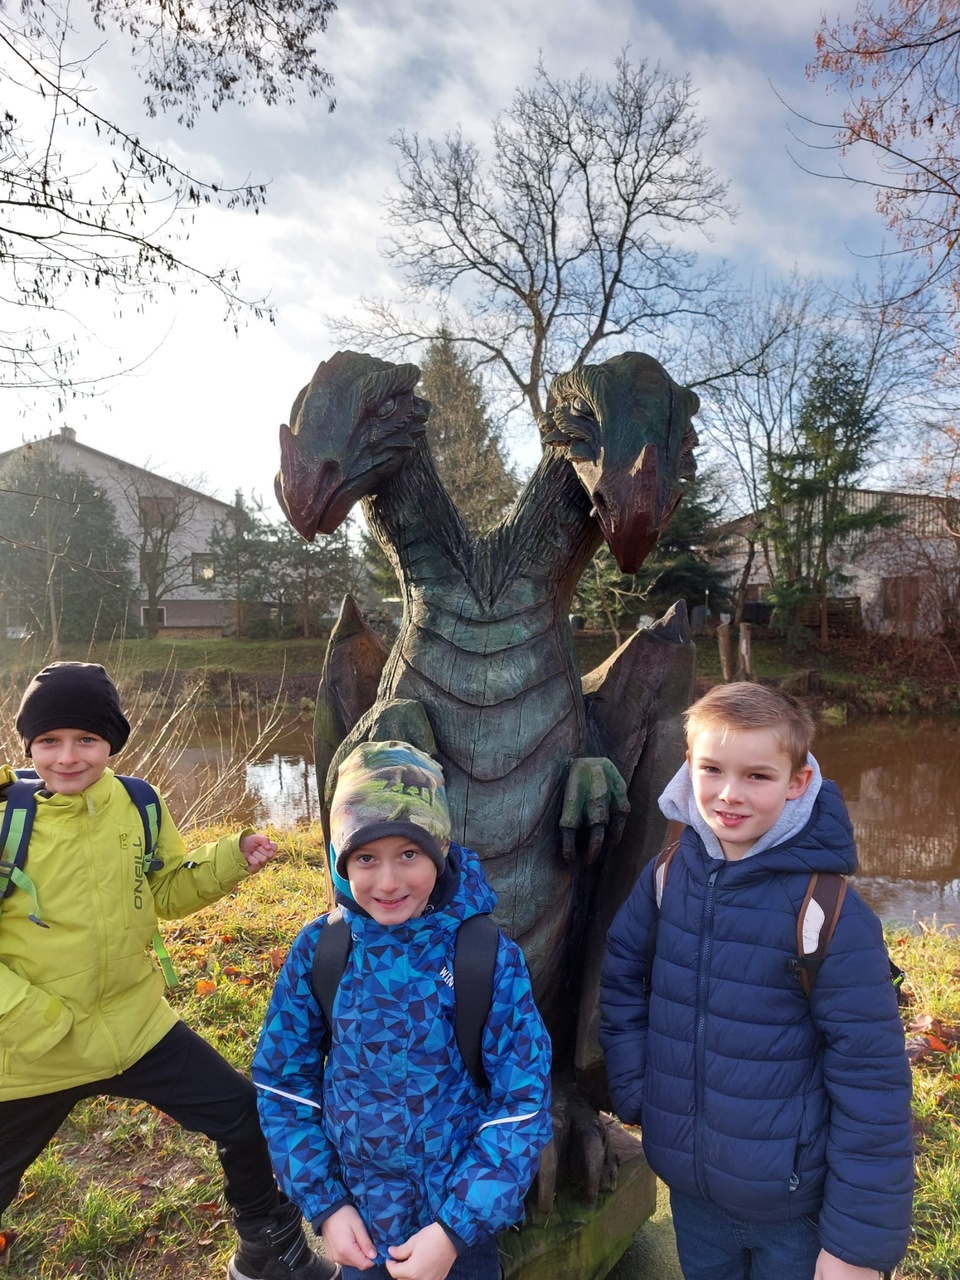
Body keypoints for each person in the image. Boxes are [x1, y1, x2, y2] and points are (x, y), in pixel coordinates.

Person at [0, 661, 336, 1280]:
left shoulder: (140, 804)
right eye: (49, 740)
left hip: (134, 1027)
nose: (67, 757)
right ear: (28, 746)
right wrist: (39, 1020)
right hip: (31, 1050)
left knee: (244, 1115)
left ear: (111, 743)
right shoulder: (5, 820)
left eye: (86, 739)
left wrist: (230, 859)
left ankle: (268, 1252)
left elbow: (166, 892)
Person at [599, 682, 913, 1280]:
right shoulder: (668, 875)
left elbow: (871, 1082)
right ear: (688, 764)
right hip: (692, 1192)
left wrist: (856, 1249)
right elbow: (621, 981)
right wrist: (639, 1092)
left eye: (758, 776)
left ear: (798, 781)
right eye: (712, 769)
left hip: (794, 1209)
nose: (729, 794)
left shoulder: (826, 912)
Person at [253, 739, 553, 1280]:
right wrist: (327, 1206)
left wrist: (456, 1228)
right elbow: (284, 1083)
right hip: (358, 1227)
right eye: (366, 858)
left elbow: (522, 1102)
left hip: (457, 1235)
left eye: (409, 855)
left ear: (439, 850)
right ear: (342, 862)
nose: (388, 882)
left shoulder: (484, 956)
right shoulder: (322, 950)